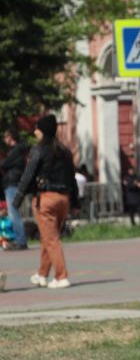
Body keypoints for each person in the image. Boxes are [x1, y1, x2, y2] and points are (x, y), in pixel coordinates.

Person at [14, 114, 79, 289]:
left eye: (37, 128)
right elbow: (72, 178)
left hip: (46, 199)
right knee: (48, 237)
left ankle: (61, 276)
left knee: (51, 239)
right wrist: (76, 202)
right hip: (64, 199)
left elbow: (28, 175)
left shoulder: (38, 150)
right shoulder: (64, 151)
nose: (35, 131)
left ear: (43, 131)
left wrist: (18, 198)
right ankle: (42, 274)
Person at [1, 127, 29, 250]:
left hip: (12, 183)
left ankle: (21, 240)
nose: (4, 139)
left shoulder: (16, 150)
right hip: (14, 182)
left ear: (10, 137)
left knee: (13, 213)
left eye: (5, 137)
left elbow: (5, 164)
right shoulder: (18, 150)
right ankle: (19, 239)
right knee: (14, 212)